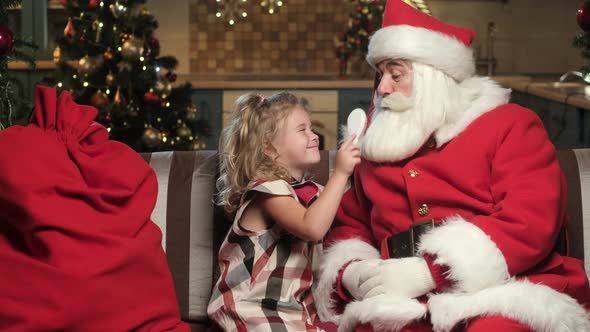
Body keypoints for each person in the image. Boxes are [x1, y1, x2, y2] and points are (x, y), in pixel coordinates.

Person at [313, 1, 590, 331]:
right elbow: (350, 223)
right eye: (380, 74)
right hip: (402, 302)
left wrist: (428, 271)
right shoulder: (378, 142)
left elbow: (530, 220)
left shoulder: (510, 125)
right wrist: (353, 272)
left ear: (432, 79)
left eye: (395, 74)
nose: (382, 87)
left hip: (504, 291)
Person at [207, 92, 360, 331]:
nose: (313, 136)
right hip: (252, 308)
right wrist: (341, 173)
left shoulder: (313, 195)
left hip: (292, 311)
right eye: (302, 130)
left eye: (311, 128)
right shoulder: (267, 191)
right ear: (268, 147)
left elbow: (337, 212)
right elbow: (312, 227)